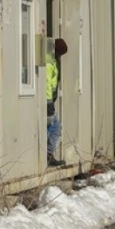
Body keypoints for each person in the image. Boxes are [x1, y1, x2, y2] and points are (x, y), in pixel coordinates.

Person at [46, 38, 68, 166]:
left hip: (49, 100)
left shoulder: (53, 61)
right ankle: (47, 154)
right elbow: (47, 83)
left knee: (51, 127)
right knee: (55, 128)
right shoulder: (50, 63)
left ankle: (47, 154)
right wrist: (49, 102)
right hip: (47, 101)